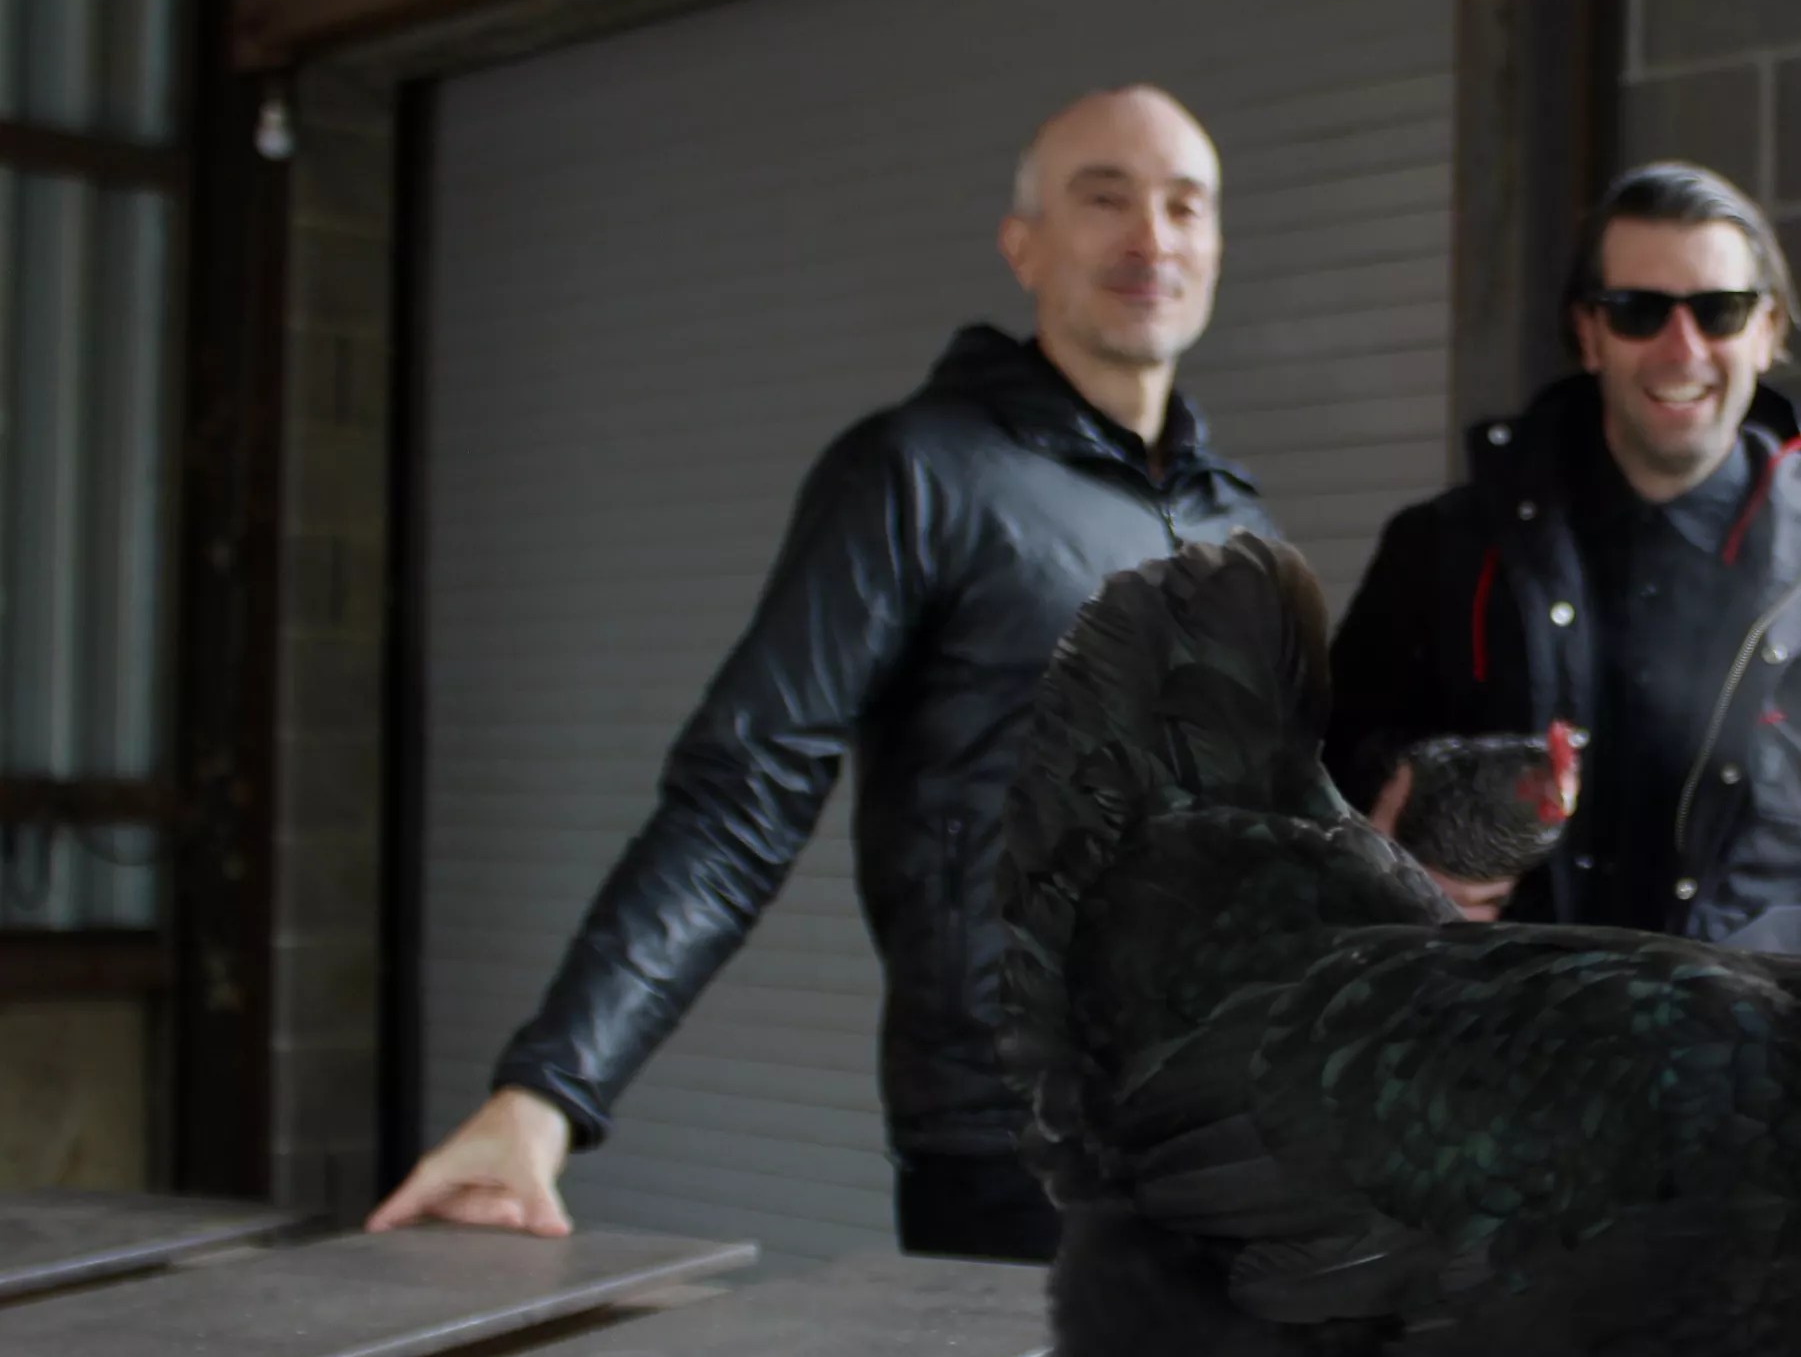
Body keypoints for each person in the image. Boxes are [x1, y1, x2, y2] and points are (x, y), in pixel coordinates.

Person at [370, 85, 1267, 1265]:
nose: (1152, 239)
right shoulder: (917, 475)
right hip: (1023, 1154)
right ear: (1024, 244)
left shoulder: (1235, 519)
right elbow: (740, 798)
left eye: (1184, 207)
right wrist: (547, 1089)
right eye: (1105, 200)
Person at [1325, 160, 1801, 954]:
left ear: (1768, 331)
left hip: (1752, 1065)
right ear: (1589, 333)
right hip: (1498, 1053)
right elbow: (1323, 780)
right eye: (1639, 312)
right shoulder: (1445, 548)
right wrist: (1400, 841)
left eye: (1720, 310)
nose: (1682, 347)